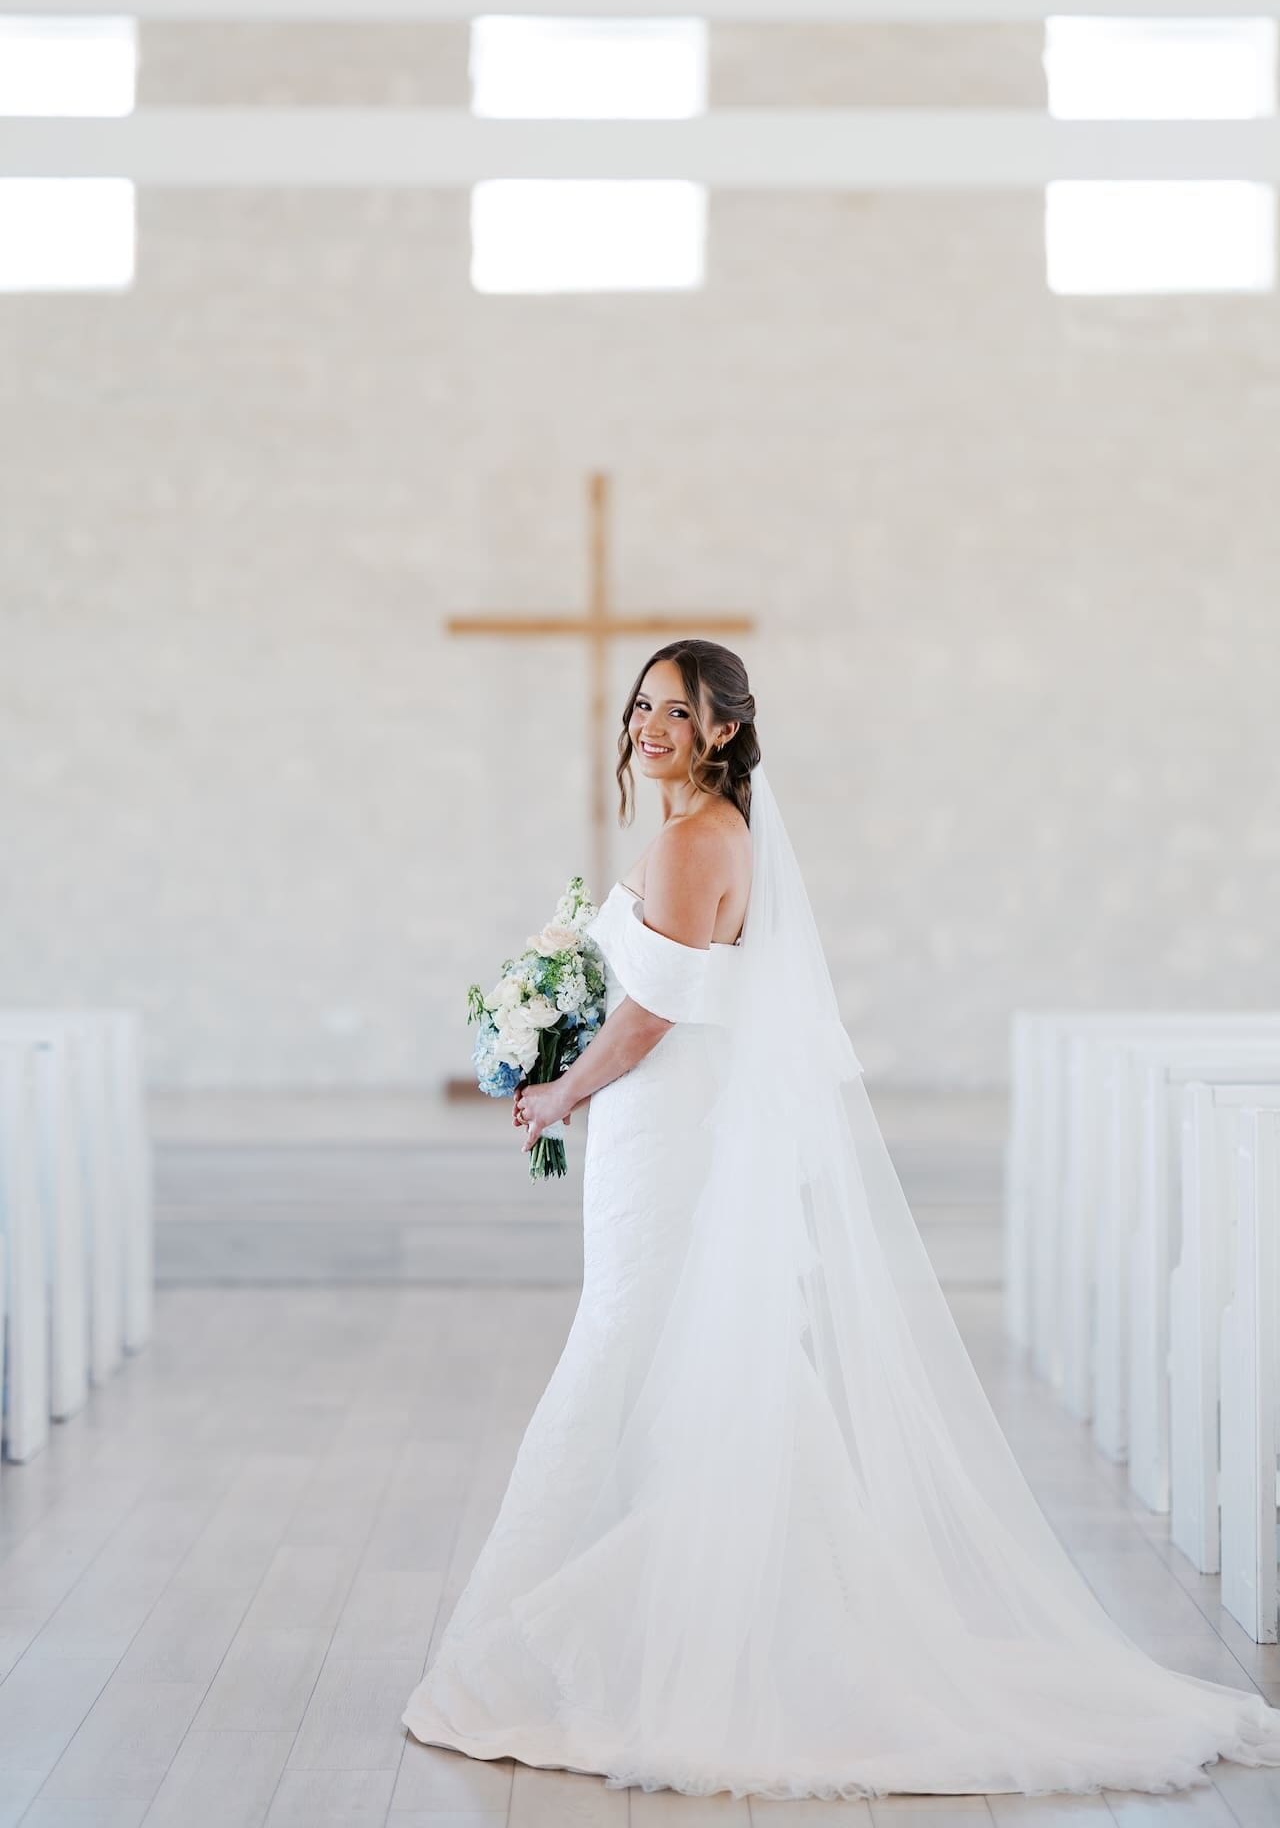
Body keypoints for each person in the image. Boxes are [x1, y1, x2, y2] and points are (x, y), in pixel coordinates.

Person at [401, 638, 1280, 1802]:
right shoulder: (720, 832)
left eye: (676, 710)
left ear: (722, 728)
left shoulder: (686, 839)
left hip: (658, 1125)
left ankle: (536, 1653)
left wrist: (562, 1088)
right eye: (640, 706)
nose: (648, 725)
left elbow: (653, 1013)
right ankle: (706, 1619)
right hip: (668, 1124)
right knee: (691, 1360)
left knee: (618, 1348)